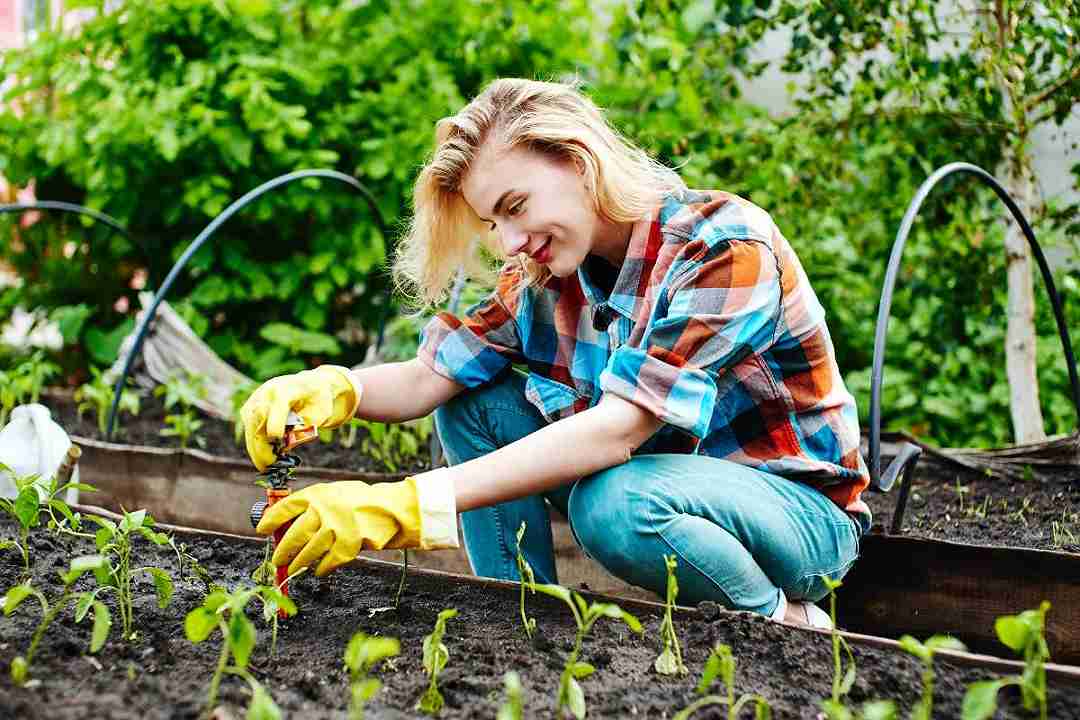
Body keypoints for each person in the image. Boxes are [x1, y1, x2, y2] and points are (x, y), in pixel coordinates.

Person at [241, 78, 870, 628]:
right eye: (494, 223)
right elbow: (432, 375)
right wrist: (332, 389)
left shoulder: (723, 248)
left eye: (516, 207)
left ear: (580, 160)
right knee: (472, 404)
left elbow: (619, 431)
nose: (511, 240)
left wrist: (408, 502)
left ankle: (783, 620)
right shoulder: (547, 270)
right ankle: (515, 614)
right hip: (660, 493)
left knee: (614, 503)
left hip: (798, 522)